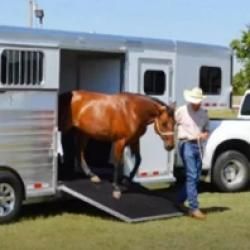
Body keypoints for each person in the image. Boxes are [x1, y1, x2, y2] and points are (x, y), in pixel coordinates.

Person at [175, 87, 209, 220]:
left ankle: (179, 200)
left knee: (195, 177)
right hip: (186, 144)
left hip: (198, 146)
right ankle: (194, 208)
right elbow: (171, 123)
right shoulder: (181, 111)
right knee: (192, 174)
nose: (197, 103)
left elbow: (206, 129)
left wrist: (204, 134)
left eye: (198, 101)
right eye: (195, 101)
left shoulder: (204, 113)